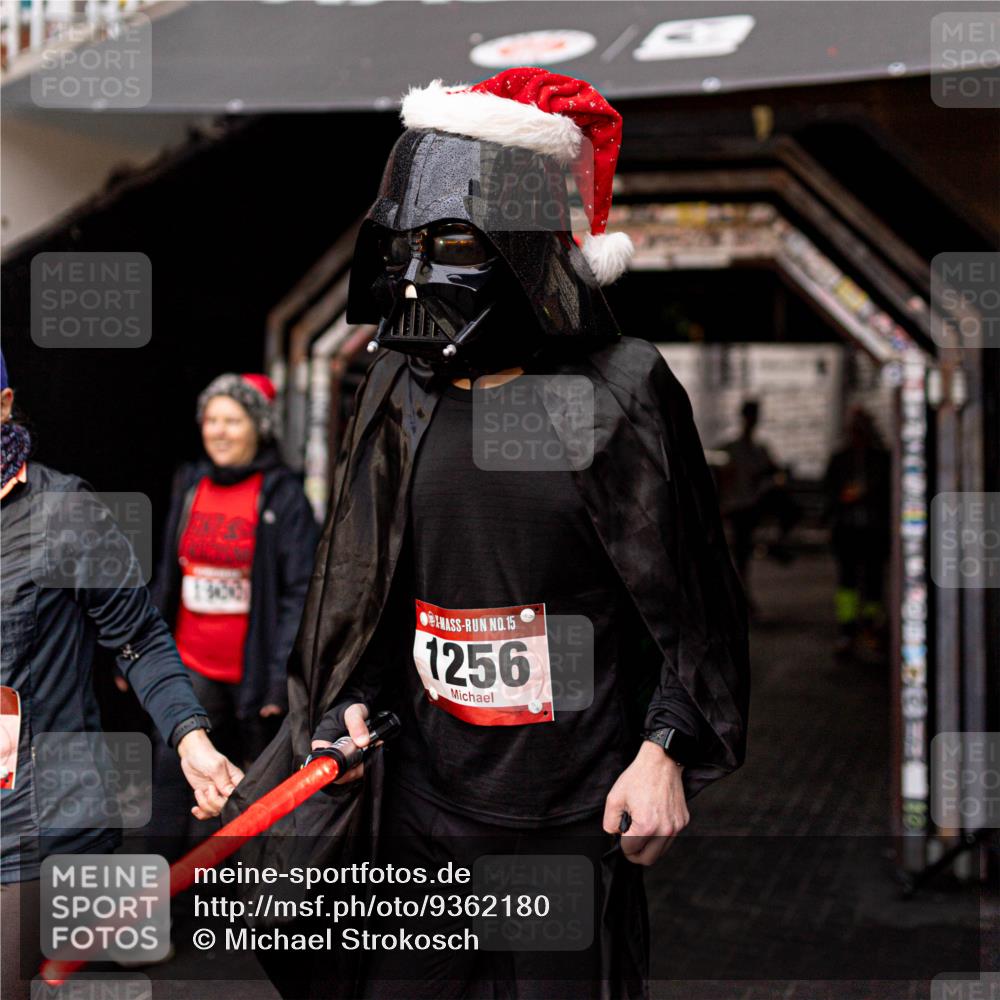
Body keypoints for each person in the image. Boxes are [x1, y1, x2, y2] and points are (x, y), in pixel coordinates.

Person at [226, 68, 749, 998]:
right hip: (424, 805)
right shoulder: (397, 388)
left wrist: (664, 749)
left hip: (570, 813)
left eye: (456, 242)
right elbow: (367, 578)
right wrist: (349, 695)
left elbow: (694, 600)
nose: (420, 274)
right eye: (407, 245)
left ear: (527, 246)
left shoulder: (621, 391)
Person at [0, 351, 244, 1000]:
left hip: (32, 818)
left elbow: (137, 638)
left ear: (4, 406)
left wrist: (191, 739)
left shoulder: (64, 513)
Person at [147, 373, 317, 850]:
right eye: (211, 420)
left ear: (258, 428)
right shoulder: (190, 482)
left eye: (233, 420)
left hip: (249, 679)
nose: (219, 431)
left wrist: (278, 680)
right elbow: (169, 572)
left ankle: (228, 907)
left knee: (238, 798)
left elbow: (298, 593)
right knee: (169, 784)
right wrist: (143, 648)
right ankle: (158, 899)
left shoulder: (283, 496)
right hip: (189, 667)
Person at [822, 406, 891, 657]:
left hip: (872, 530)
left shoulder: (880, 460)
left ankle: (871, 629)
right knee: (848, 582)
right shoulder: (841, 460)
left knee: (873, 583)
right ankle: (848, 630)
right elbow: (829, 492)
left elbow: (887, 494)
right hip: (848, 530)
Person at [718, 399, 800, 604]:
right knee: (741, 555)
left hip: (748, 504)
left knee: (742, 554)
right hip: (739, 506)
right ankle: (742, 596)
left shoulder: (754, 449)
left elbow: (773, 471)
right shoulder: (736, 449)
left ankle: (772, 544)